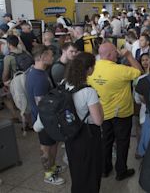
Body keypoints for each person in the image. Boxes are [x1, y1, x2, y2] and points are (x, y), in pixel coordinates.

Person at [87, 42, 142, 181]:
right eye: (115, 52)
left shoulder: (92, 69)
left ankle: (105, 169)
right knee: (122, 142)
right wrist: (129, 56)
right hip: (122, 113)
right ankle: (121, 171)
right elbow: (139, 71)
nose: (118, 53)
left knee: (105, 141)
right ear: (110, 54)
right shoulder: (120, 70)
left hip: (102, 113)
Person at [64, 52, 104, 193]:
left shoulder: (65, 84)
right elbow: (98, 121)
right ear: (88, 69)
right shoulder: (88, 91)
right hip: (88, 136)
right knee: (91, 171)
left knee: (77, 169)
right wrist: (100, 106)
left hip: (70, 132)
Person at [26, 45, 65, 185]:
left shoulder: (39, 72)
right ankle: (48, 174)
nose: (53, 57)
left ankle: (53, 167)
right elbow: (42, 105)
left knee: (52, 144)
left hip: (47, 119)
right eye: (50, 55)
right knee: (46, 147)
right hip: (44, 120)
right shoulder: (39, 78)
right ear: (42, 57)